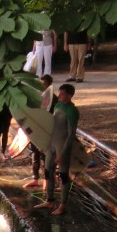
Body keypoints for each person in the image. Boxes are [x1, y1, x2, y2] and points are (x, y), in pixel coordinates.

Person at [35, 83, 79, 216]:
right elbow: (51, 125)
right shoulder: (58, 106)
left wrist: (63, 153)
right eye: (59, 93)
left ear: (70, 96)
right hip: (52, 144)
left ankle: (62, 205)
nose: (59, 96)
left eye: (62, 94)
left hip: (62, 146)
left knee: (64, 176)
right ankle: (50, 200)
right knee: (48, 171)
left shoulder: (72, 111)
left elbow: (71, 134)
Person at [23, 74, 52, 189]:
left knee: (46, 158)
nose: (41, 86)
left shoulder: (52, 98)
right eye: (40, 84)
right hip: (35, 131)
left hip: (45, 132)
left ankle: (47, 180)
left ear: (49, 84)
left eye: (44, 84)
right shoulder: (36, 97)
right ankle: (35, 179)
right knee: (35, 156)